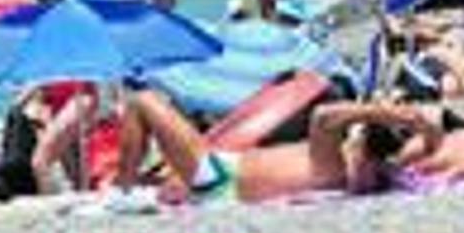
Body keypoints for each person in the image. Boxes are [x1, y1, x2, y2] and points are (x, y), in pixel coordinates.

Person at [113, 90, 440, 206]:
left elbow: (323, 116)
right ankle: (129, 185)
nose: (350, 136)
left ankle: (121, 193)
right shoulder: (360, 164)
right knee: (157, 112)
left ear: (364, 146)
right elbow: (430, 145)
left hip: (219, 180)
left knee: (142, 102)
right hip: (223, 168)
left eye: (355, 134)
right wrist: (422, 125)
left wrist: (391, 113)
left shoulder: (336, 165)